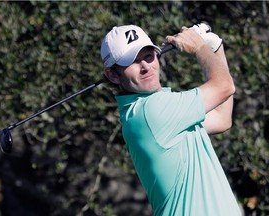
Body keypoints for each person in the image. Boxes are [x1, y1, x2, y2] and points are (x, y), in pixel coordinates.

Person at [100, 24, 241, 216]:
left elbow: (222, 118)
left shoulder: (147, 113)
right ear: (112, 75)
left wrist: (215, 48)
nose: (145, 67)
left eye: (148, 56)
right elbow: (224, 86)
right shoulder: (151, 111)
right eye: (132, 62)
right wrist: (200, 47)